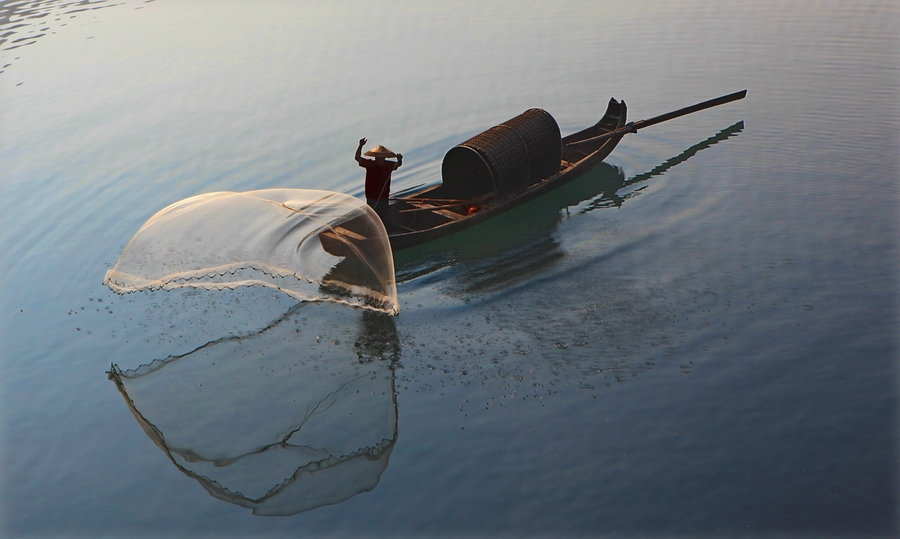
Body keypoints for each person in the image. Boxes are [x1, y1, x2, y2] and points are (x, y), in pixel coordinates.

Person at [355, 137, 402, 226]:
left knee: (384, 218)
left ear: (384, 158)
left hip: (384, 197)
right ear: (375, 157)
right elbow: (357, 158)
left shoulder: (388, 165)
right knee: (372, 218)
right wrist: (360, 146)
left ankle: (386, 232)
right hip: (371, 197)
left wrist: (399, 159)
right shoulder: (370, 164)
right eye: (377, 157)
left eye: (381, 157)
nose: (379, 159)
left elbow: (398, 164)